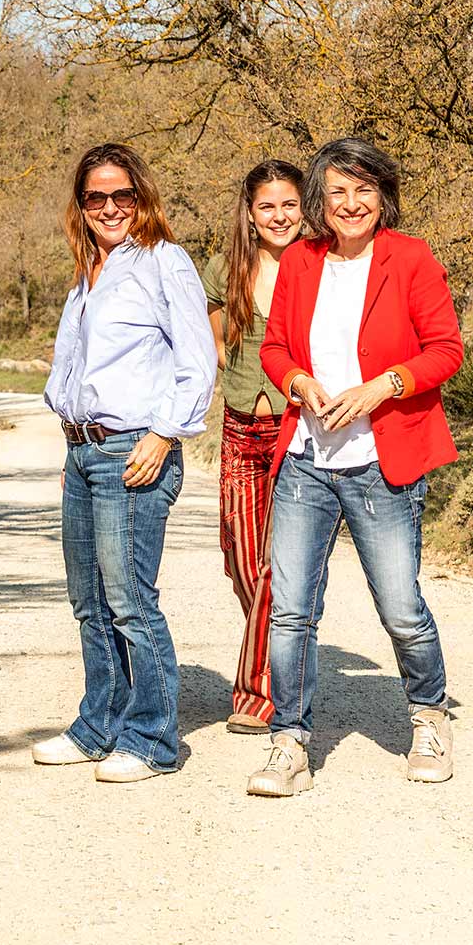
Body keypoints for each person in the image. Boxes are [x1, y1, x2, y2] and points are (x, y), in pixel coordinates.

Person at [249, 137, 464, 797]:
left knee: (400, 606)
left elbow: (446, 349)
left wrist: (384, 385)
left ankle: (428, 717)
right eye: (337, 190)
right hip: (306, 462)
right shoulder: (301, 262)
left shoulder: (411, 257)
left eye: (363, 189)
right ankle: (290, 742)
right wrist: (297, 381)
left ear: (382, 195)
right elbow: (275, 346)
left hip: (382, 462)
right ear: (320, 198)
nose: (350, 202)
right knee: (290, 610)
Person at [34, 143, 217, 783]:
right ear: (80, 207)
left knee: (130, 602)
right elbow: (70, 370)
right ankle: (98, 727)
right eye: (95, 198)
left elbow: (198, 360)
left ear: (141, 198)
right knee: (88, 602)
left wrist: (165, 435)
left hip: (135, 449)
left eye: (122, 196)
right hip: (84, 451)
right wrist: (71, 440)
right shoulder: (87, 275)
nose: (110, 208)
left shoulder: (165, 263)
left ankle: (152, 740)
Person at [199, 160, 306, 735]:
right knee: (243, 564)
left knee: (275, 566)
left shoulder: (319, 266)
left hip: (297, 431)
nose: (279, 215)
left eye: (288, 204)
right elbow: (216, 344)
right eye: (268, 206)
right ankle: (281, 649)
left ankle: (256, 691)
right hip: (241, 429)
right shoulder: (224, 269)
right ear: (250, 211)